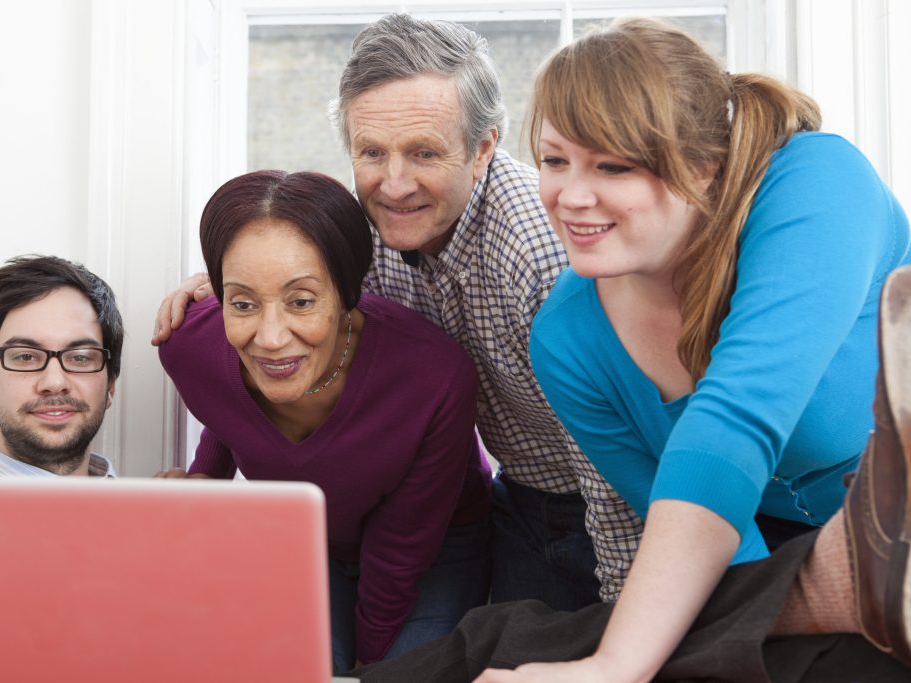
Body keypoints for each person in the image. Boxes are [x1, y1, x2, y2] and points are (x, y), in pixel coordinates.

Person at [359, 16, 911, 683]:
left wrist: (614, 665)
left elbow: (737, 417)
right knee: (499, 644)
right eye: (556, 160)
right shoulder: (568, 339)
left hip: (893, 525)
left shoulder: (816, 184)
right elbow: (727, 561)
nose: (572, 196)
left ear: (701, 166)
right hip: (779, 555)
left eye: (612, 165)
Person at [152, 13, 642, 609]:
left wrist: (631, 609)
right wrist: (229, 285)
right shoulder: (373, 228)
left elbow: (607, 454)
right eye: (372, 152)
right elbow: (294, 289)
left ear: (483, 147)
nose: (394, 182)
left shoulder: (538, 255)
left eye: (424, 153)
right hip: (518, 501)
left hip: (612, 499)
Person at [154, 170, 492, 672]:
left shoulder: (434, 378)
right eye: (243, 303)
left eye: (302, 301)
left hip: (433, 548)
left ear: (347, 292)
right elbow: (226, 410)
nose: (270, 338)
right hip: (307, 540)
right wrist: (207, 484)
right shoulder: (187, 347)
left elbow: (397, 556)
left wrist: (365, 668)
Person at [0, 255, 123, 478]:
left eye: (79, 358)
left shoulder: (162, 507)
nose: (54, 382)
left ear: (111, 384)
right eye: (25, 357)